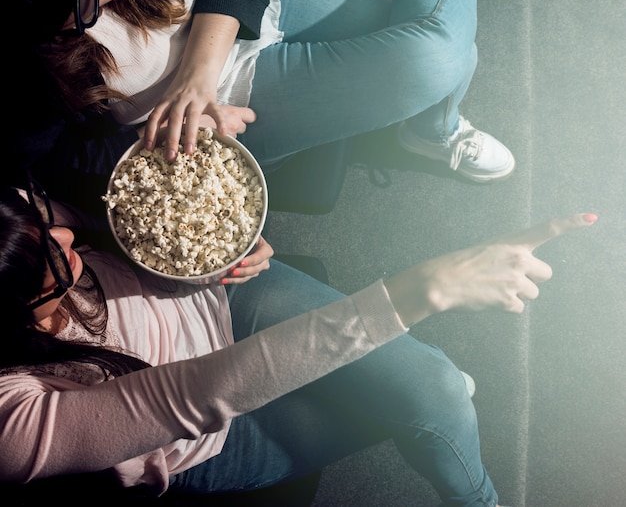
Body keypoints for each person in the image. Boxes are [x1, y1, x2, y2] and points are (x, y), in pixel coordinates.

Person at [0, 178, 596, 505]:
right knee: (419, 400)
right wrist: (422, 290)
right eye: (50, 254)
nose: (59, 230)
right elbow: (189, 398)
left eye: (41, 219)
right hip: (203, 439)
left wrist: (209, 251)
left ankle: (430, 411)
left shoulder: (12, 221)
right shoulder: (9, 426)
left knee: (432, 388)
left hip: (208, 302)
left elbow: (109, 219)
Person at [2, 0, 562, 220]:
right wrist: (177, 134)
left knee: (444, 48)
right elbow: (69, 168)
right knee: (441, 54)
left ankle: (431, 128)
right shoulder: (23, 81)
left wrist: (193, 75)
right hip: (226, 103)